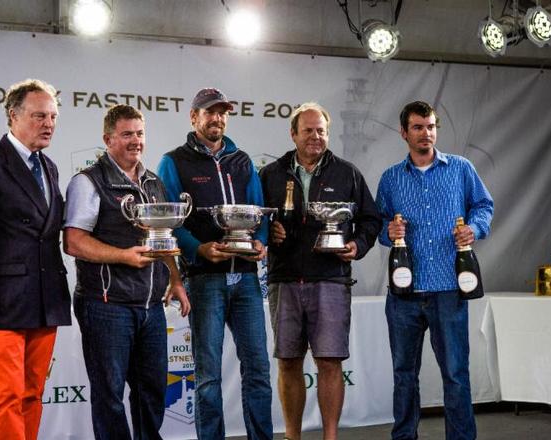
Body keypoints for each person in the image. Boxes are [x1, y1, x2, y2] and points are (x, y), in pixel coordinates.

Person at [63, 104, 190, 439]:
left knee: (152, 391)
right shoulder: (88, 181)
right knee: (110, 396)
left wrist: (175, 279)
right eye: (127, 134)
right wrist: (122, 256)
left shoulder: (153, 182)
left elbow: (163, 237)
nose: (136, 141)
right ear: (108, 139)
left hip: (150, 307)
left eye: (140, 133)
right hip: (106, 304)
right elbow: (74, 242)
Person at [0, 79, 72, 440]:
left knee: (33, 395)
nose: (48, 123)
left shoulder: (49, 167)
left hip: (45, 300)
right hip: (2, 303)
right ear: (13, 116)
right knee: (6, 397)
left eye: (52, 116)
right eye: (39, 115)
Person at [259, 102, 381, 440]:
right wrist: (268, 232)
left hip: (330, 278)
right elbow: (257, 219)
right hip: (284, 279)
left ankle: (330, 437)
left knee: (329, 363)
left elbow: (371, 220)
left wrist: (358, 244)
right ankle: (293, 437)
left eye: (321, 131)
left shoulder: (347, 172)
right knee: (288, 362)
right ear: (293, 133)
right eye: (308, 130)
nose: (315, 137)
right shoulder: (270, 173)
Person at [157, 88, 273, 439]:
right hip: (205, 279)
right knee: (208, 376)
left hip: (248, 280)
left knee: (258, 370)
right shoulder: (173, 161)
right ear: (194, 117)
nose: (217, 118)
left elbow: (260, 212)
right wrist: (199, 249)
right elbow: (168, 221)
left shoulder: (242, 161)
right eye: (210, 112)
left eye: (222, 112)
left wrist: (260, 242)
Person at [376, 101, 494, 440]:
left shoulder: (461, 168)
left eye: (430, 126)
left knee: (456, 374)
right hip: (404, 294)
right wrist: (389, 232)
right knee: (403, 375)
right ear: (404, 133)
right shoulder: (391, 178)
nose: (425, 133)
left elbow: (483, 205)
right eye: (418, 127)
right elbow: (378, 223)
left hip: (448, 288)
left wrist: (474, 227)